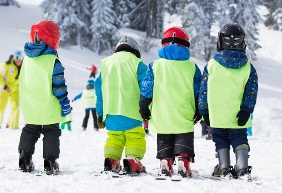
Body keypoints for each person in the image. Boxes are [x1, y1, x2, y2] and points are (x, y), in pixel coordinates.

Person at [139, 27, 202, 178]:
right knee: (183, 135)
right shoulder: (192, 67)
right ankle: (183, 161)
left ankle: (165, 161)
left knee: (164, 137)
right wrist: (199, 110)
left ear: (163, 44)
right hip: (184, 111)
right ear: (186, 45)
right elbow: (198, 91)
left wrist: (143, 106)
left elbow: (147, 89)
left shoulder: (154, 66)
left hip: (162, 112)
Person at [198, 23, 258, 180]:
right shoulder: (248, 68)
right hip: (238, 114)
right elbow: (251, 92)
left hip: (217, 114)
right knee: (239, 137)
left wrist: (204, 111)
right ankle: (242, 167)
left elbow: (203, 90)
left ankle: (224, 167)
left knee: (221, 138)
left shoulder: (211, 65)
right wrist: (247, 109)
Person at [18, 20, 72, 175]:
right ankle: (50, 161)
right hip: (49, 106)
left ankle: (24, 157)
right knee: (51, 131)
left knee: (30, 130)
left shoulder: (27, 59)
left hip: (30, 105)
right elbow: (58, 86)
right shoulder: (52, 60)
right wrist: (64, 102)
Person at [95, 36, 147, 175]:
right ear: (135, 50)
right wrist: (148, 107)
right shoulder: (137, 63)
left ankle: (111, 160)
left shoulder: (106, 64)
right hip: (132, 111)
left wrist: (100, 112)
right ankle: (132, 161)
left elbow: (99, 89)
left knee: (114, 137)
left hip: (110, 112)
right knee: (134, 136)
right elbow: (146, 87)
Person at [0, 50, 23, 129]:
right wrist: (4, 86)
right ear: (14, 57)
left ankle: (13, 126)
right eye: (17, 58)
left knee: (16, 107)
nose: (18, 60)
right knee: (1, 106)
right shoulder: (6, 65)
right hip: (4, 89)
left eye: (20, 58)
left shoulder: (24, 67)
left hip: (15, 90)